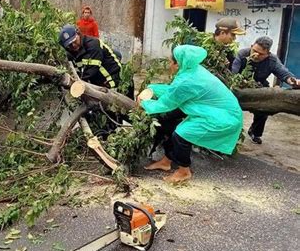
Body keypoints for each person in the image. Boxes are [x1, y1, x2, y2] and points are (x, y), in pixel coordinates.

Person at [137, 45, 243, 183]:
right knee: (172, 124)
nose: (169, 64)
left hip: (222, 118)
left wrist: (144, 103)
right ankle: (166, 162)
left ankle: (184, 171)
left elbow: (166, 104)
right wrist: (153, 88)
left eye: (171, 61)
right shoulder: (192, 69)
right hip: (214, 110)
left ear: (178, 63)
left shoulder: (187, 80)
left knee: (181, 134)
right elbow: (173, 91)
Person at [231, 36, 300, 144]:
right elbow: (233, 72)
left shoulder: (272, 60)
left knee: (264, 108)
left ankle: (255, 132)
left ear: (268, 54)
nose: (256, 55)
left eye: (261, 54)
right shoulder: (242, 54)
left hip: (259, 85)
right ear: (251, 46)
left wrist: (292, 81)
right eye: (255, 51)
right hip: (240, 84)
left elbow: (283, 73)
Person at [58, 24, 121, 89]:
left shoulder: (93, 45)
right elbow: (77, 72)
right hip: (97, 82)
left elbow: (91, 70)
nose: (73, 45)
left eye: (74, 41)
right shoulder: (71, 54)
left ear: (78, 34)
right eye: (70, 45)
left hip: (111, 80)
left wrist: (78, 84)